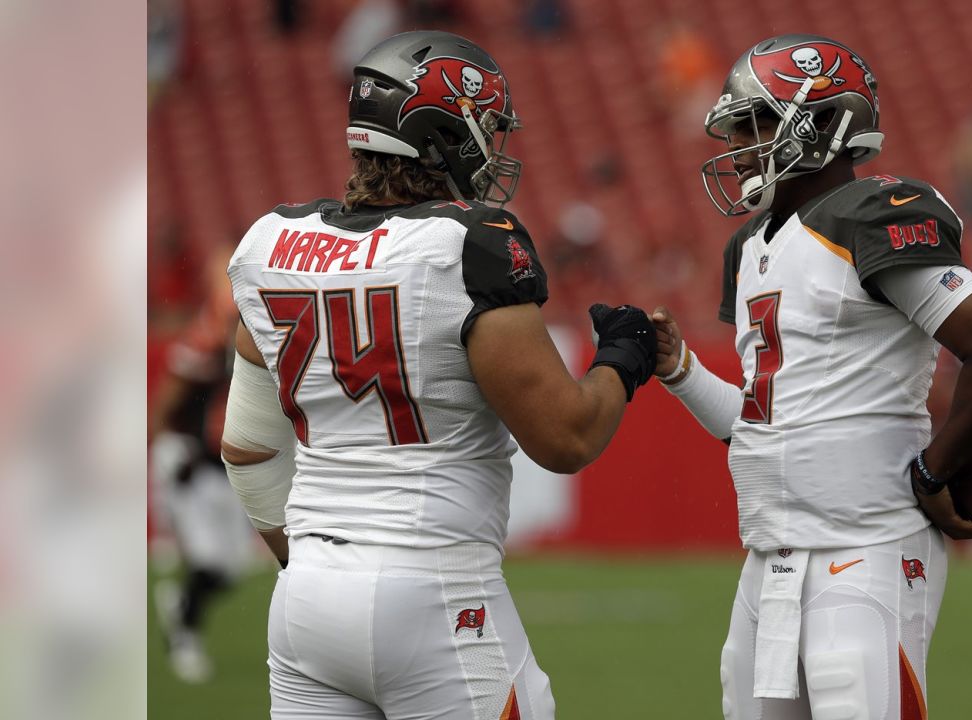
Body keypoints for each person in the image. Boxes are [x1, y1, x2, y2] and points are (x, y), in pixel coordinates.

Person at [220, 31, 656, 719]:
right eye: (484, 129)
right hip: (432, 590)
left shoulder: (271, 243)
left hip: (305, 599)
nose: (493, 148)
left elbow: (248, 451)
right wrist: (622, 361)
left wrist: (312, 570)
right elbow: (566, 438)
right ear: (441, 132)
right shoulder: (469, 243)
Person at [656, 34, 972, 719]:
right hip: (769, 565)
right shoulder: (750, 245)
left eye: (759, 121)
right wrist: (679, 370)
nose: (742, 142)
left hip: (866, 550)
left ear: (824, 123)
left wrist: (933, 470)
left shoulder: (872, 217)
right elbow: (758, 426)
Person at [149, 243, 257, 684]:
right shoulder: (207, 339)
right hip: (190, 461)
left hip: (226, 467)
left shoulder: (261, 337)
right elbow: (172, 395)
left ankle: (180, 603)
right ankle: (185, 641)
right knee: (209, 559)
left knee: (233, 569)